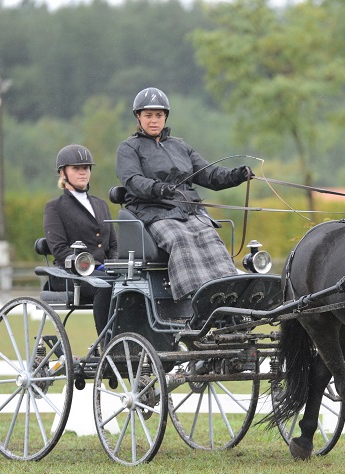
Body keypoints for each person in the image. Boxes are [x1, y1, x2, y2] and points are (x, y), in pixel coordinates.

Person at [115, 87, 254, 300]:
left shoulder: (180, 146)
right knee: (180, 239)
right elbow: (133, 180)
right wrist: (158, 188)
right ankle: (195, 297)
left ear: (165, 117)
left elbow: (208, 174)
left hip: (189, 212)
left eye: (159, 115)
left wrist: (236, 175)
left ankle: (228, 292)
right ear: (138, 117)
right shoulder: (129, 148)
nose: (154, 120)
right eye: (148, 115)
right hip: (154, 212)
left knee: (210, 237)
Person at [44, 144, 118, 334]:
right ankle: (107, 341)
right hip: (70, 274)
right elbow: (59, 249)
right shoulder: (55, 207)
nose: (83, 172)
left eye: (86, 168)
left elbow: (113, 245)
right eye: (76, 168)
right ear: (63, 173)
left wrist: (115, 266)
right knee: (106, 284)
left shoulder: (101, 205)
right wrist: (89, 265)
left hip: (104, 272)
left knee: (133, 283)